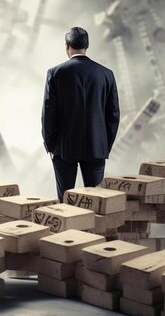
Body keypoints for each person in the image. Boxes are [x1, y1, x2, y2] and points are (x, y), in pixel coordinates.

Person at [41, 27, 120, 201]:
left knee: (64, 204)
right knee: (96, 203)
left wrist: (50, 145)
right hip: (96, 147)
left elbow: (48, 113)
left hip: (64, 148)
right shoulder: (106, 74)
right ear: (87, 45)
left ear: (67, 46)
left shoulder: (55, 73)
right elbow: (113, 115)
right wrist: (104, 145)